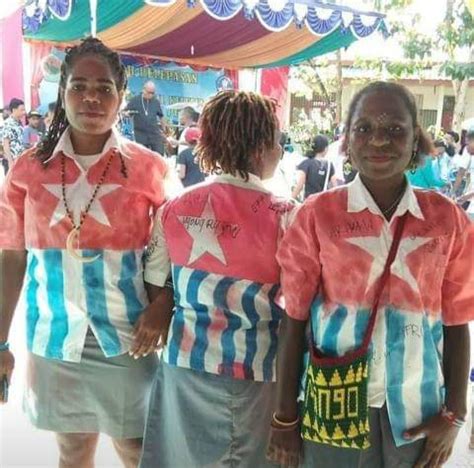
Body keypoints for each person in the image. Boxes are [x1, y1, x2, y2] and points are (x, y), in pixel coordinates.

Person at [267, 81, 474, 468]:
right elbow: (293, 322)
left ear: (416, 139)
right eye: (364, 128)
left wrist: (455, 414)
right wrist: (284, 417)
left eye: (395, 129)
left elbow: (458, 322)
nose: (379, 140)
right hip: (333, 406)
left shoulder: (447, 221)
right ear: (347, 140)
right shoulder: (316, 216)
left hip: (416, 412)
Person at [0, 37, 172, 468]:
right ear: (62, 93)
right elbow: (10, 258)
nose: (91, 97)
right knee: (73, 450)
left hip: (128, 336)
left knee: (136, 449)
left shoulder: (150, 168)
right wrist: (0, 341)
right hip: (55, 337)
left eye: (104, 87)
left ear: (121, 97)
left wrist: (163, 304)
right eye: (78, 86)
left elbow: (175, 248)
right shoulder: (26, 171)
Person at [139, 90, 295, 468]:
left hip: (186, 363)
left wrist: (163, 305)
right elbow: (298, 302)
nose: (281, 150)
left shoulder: (174, 209)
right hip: (259, 368)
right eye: (277, 141)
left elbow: (156, 280)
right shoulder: (287, 216)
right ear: (260, 147)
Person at [292, 134, 337, 200]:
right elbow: (334, 186)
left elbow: (300, 185)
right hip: (323, 201)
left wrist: (291, 199)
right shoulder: (329, 165)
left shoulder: (306, 163)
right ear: (325, 148)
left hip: (309, 201)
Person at [125, 80, 165, 154]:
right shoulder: (135, 100)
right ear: (143, 90)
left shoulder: (156, 101)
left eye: (152, 93)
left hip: (154, 133)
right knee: (142, 155)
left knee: (159, 155)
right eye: (149, 92)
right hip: (140, 134)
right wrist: (127, 114)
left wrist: (164, 130)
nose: (151, 95)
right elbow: (125, 112)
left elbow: (161, 116)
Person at [2, 98, 26, 171]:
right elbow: (6, 144)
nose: (24, 112)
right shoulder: (7, 124)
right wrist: (10, 162)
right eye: (21, 110)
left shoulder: (20, 123)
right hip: (12, 161)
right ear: (14, 110)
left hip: (21, 160)